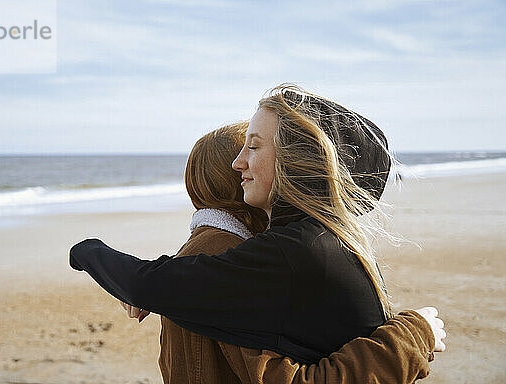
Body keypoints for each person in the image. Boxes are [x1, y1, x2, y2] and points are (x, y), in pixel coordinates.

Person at [69, 84, 447, 382]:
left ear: (297, 159)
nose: (239, 164)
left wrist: (413, 336)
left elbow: (147, 285)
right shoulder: (319, 242)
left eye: (254, 146)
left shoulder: (291, 250)